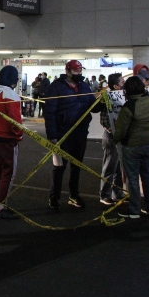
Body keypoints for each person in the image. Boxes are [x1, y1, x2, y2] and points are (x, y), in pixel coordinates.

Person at [43, 60, 100, 210]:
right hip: (62, 133)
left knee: (77, 166)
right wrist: (52, 135)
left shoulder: (84, 86)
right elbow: (49, 112)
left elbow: (92, 106)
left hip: (80, 133)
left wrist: (102, 102)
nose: (79, 73)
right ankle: (54, 197)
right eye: (76, 71)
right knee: (59, 167)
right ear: (67, 71)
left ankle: (74, 195)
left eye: (80, 71)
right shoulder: (56, 87)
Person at [113, 76, 149, 219]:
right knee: (146, 175)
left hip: (132, 146)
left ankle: (134, 210)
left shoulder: (128, 107)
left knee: (133, 178)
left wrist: (115, 140)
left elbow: (121, 131)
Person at [0, 66, 23, 219]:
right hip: (7, 139)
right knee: (8, 172)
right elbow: (15, 121)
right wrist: (18, 136)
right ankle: (1, 206)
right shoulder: (11, 95)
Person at [99, 73, 126, 205]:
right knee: (109, 166)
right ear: (115, 86)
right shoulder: (107, 97)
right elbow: (104, 119)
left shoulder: (124, 97)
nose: (124, 84)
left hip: (121, 136)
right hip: (111, 136)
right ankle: (105, 195)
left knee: (119, 167)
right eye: (122, 82)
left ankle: (118, 193)